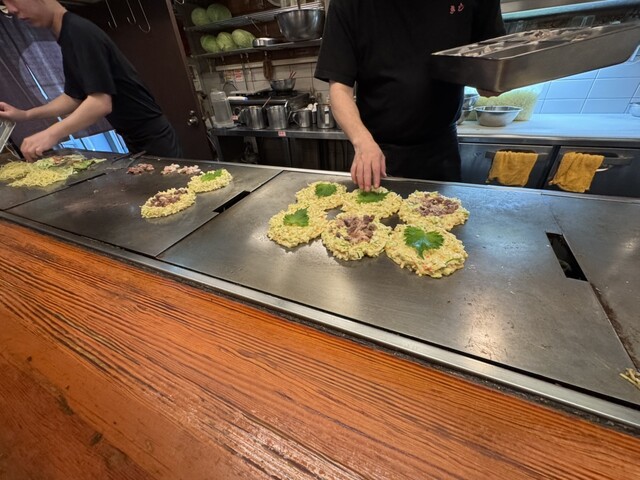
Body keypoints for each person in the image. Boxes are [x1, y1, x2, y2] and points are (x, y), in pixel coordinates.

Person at [315, 0, 505, 190]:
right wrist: (362, 142)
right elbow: (339, 90)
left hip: (441, 151)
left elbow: (491, 76)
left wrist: (497, 79)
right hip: (377, 150)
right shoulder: (349, 4)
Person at [0, 0, 182, 161]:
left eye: (13, 0)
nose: (11, 9)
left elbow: (100, 103)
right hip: (134, 137)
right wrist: (26, 115)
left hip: (153, 136)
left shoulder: (78, 31)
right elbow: (73, 97)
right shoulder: (67, 34)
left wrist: (51, 134)